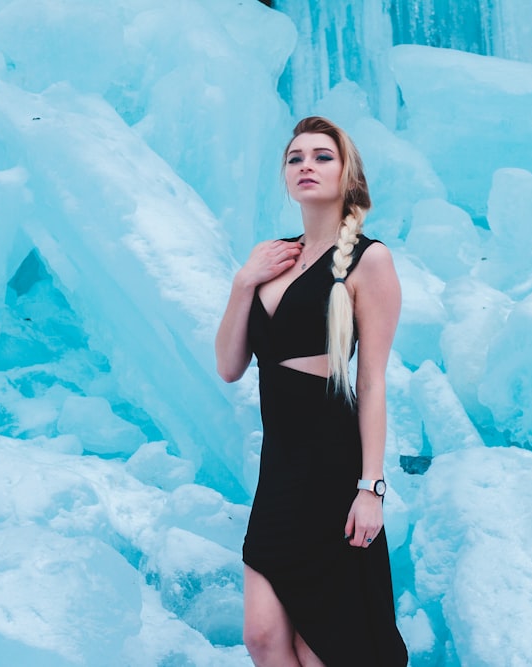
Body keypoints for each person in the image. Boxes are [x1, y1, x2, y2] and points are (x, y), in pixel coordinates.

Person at [215, 116, 408, 666]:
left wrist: (370, 488)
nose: (306, 165)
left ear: (348, 173)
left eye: (323, 156)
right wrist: (242, 283)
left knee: (323, 644)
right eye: (296, 157)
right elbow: (230, 366)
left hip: (333, 468)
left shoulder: (370, 260)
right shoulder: (270, 256)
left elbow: (371, 383)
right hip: (280, 470)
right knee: (263, 637)